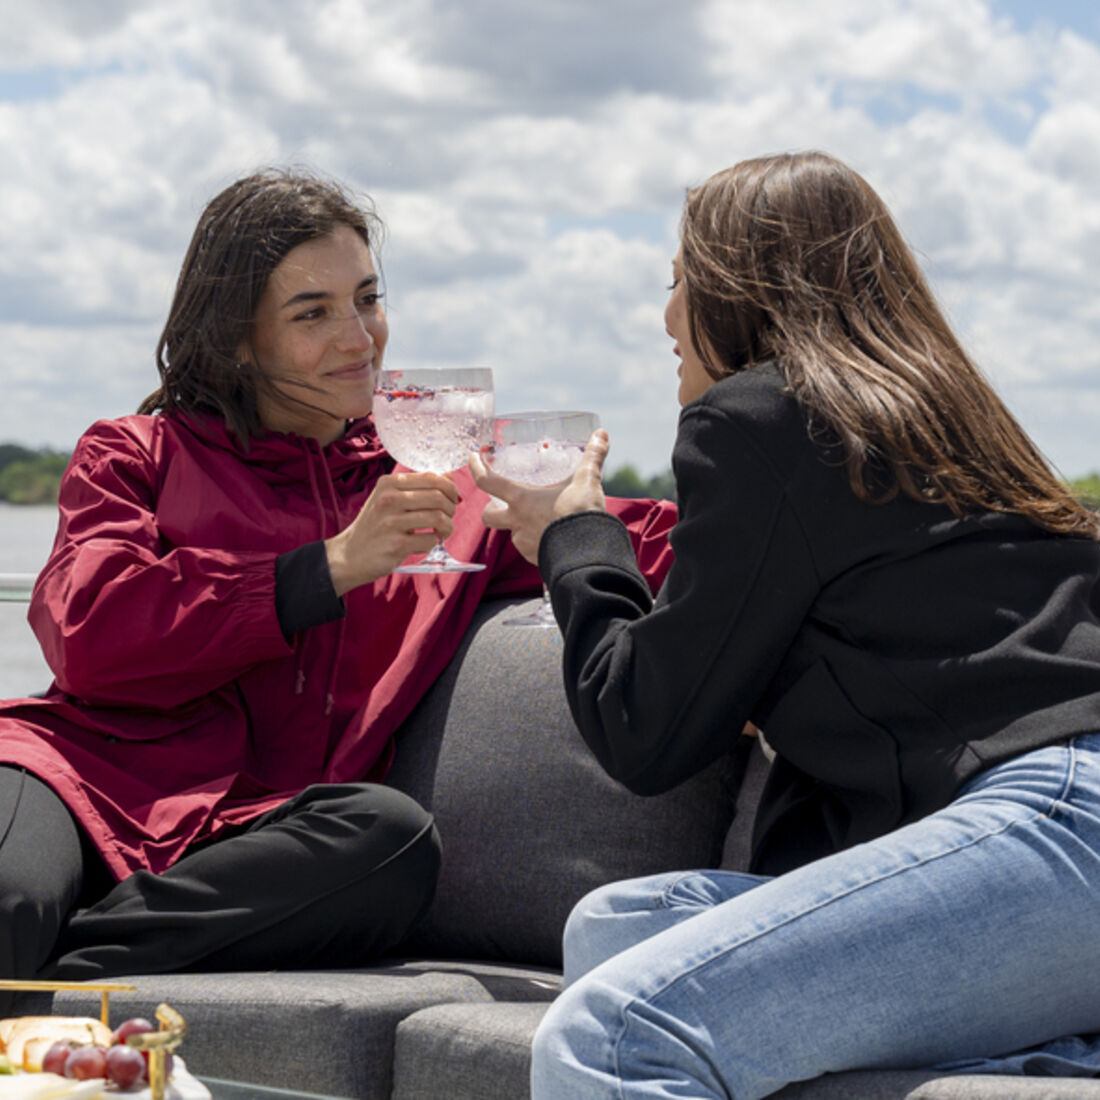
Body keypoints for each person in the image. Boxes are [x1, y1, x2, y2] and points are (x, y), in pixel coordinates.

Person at [471, 150, 1100, 1098]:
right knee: (615, 928)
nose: (667, 315)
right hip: (1052, 834)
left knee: (614, 1035)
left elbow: (645, 730)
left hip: (1056, 826)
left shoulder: (756, 419)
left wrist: (575, 536)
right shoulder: (945, 424)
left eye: (679, 280)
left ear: (738, 291)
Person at [0, 167, 676, 1006]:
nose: (359, 338)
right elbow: (91, 634)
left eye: (367, 298)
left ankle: (37, 987)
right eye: (312, 313)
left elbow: (660, 544)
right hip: (75, 776)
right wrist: (332, 566)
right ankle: (40, 969)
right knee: (10, 899)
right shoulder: (134, 452)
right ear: (238, 339)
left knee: (391, 841)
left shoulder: (450, 487)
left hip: (260, 834)